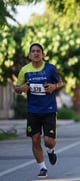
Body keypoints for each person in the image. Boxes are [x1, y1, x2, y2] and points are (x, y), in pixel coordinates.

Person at [14, 43, 63, 179]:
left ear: (43, 54)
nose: (36, 53)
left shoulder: (50, 68)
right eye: (33, 51)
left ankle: (51, 150)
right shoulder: (25, 70)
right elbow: (17, 88)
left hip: (49, 109)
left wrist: (54, 86)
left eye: (38, 51)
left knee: (48, 140)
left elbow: (60, 82)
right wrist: (22, 88)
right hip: (33, 110)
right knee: (35, 140)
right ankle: (42, 167)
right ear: (29, 55)